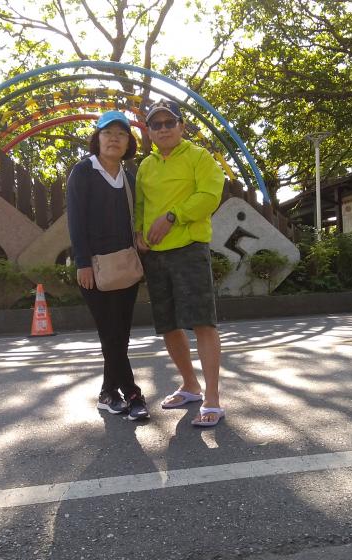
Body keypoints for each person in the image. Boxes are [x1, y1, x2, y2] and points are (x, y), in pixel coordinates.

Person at [135, 99, 226, 427]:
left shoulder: (199, 157)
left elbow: (210, 196)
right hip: (155, 255)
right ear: (149, 132)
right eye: (156, 125)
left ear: (181, 126)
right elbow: (140, 205)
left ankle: (212, 398)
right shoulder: (145, 166)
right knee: (168, 324)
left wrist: (174, 216)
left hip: (189, 249)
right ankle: (190, 385)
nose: (163, 129)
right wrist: (138, 231)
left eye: (169, 122)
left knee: (203, 323)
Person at [66, 110, 149, 421]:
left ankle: (107, 393)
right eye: (107, 132)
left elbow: (134, 221)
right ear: (97, 138)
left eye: (121, 134)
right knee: (110, 334)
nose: (114, 138)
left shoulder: (129, 178)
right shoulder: (83, 172)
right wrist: (82, 263)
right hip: (95, 268)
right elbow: (76, 221)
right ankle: (133, 394)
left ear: (128, 142)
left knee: (120, 336)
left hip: (125, 266)